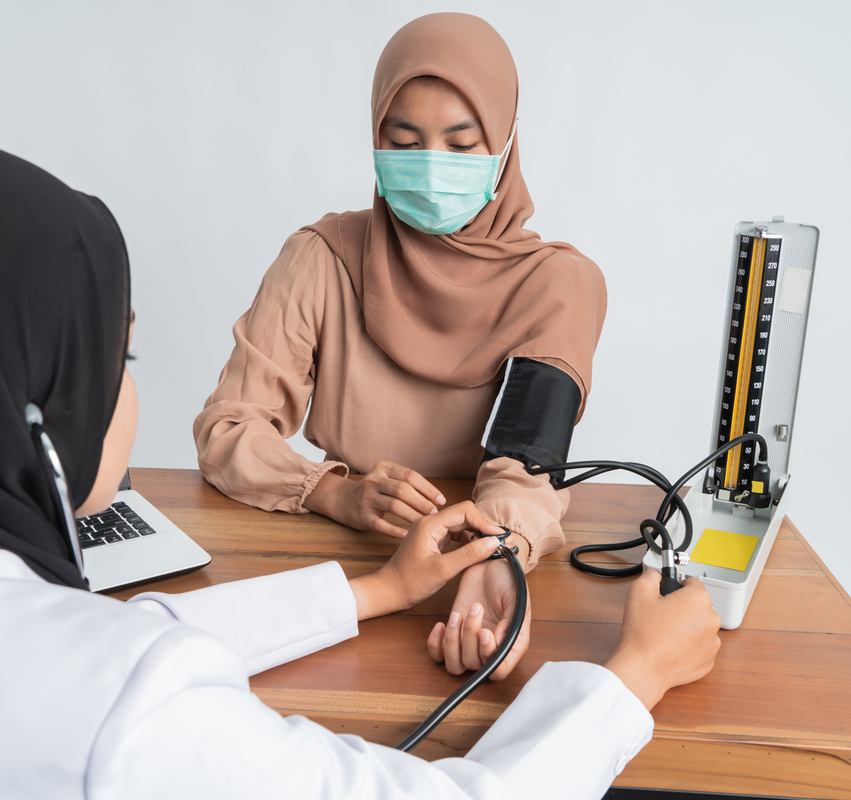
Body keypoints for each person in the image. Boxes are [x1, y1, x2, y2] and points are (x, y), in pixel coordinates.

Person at [0, 135, 719, 798]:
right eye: (115, 359)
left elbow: (114, 641)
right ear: (25, 405)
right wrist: (635, 674)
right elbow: (125, 672)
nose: (127, 395)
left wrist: (377, 591)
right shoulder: (119, 715)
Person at [195, 12, 605, 678]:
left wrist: (493, 559)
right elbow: (228, 429)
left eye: (461, 143)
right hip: (331, 565)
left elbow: (524, 469)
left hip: (469, 564)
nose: (430, 165)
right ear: (375, 137)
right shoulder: (320, 257)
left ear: (504, 148)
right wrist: (334, 492)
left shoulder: (560, 286)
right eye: (404, 140)